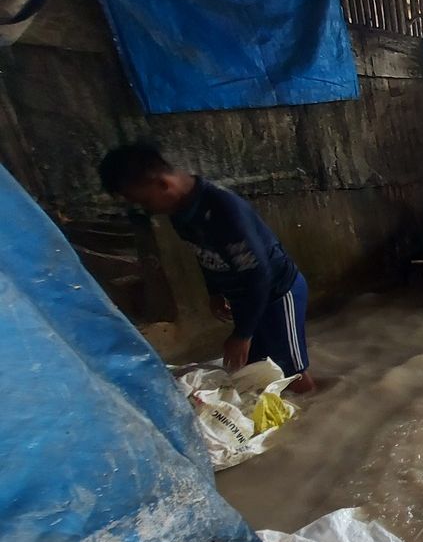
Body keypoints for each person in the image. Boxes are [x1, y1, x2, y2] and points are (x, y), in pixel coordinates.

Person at [99, 144, 315, 391]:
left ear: (162, 183)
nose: (147, 209)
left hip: (278, 292)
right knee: (259, 365)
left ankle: (318, 410)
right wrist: (214, 292)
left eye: (145, 201)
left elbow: (259, 275)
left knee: (292, 372)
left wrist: (243, 334)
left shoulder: (224, 209)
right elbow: (203, 254)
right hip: (249, 298)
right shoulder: (181, 212)